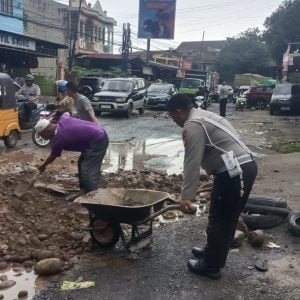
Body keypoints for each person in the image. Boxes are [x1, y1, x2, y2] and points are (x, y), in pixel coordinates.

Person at [167, 94, 257, 279]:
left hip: (234, 173)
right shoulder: (205, 115)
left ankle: (211, 265)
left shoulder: (192, 124)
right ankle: (212, 253)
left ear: (179, 112)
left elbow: (192, 161)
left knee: (220, 218)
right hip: (242, 168)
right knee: (227, 216)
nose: (173, 120)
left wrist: (187, 196)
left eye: (172, 116)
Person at [36, 113, 109, 201]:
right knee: (82, 163)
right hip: (96, 134)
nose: (43, 138)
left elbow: (52, 156)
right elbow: (66, 113)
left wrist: (43, 165)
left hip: (98, 140)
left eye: (42, 135)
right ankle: (84, 190)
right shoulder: (63, 120)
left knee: (87, 169)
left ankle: (91, 197)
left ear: (48, 131)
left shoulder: (59, 139)